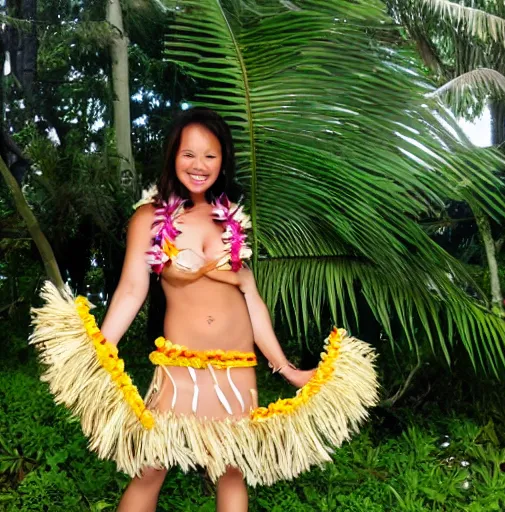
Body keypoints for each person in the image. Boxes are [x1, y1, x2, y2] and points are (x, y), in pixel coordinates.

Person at [30, 107, 378, 512]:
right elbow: (130, 291)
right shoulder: (149, 219)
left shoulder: (229, 219)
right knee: (152, 465)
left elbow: (251, 299)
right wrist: (98, 352)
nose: (199, 165)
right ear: (173, 156)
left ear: (223, 160)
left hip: (238, 365)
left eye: (210, 155)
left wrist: (287, 368)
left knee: (231, 468)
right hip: (182, 366)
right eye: (189, 154)